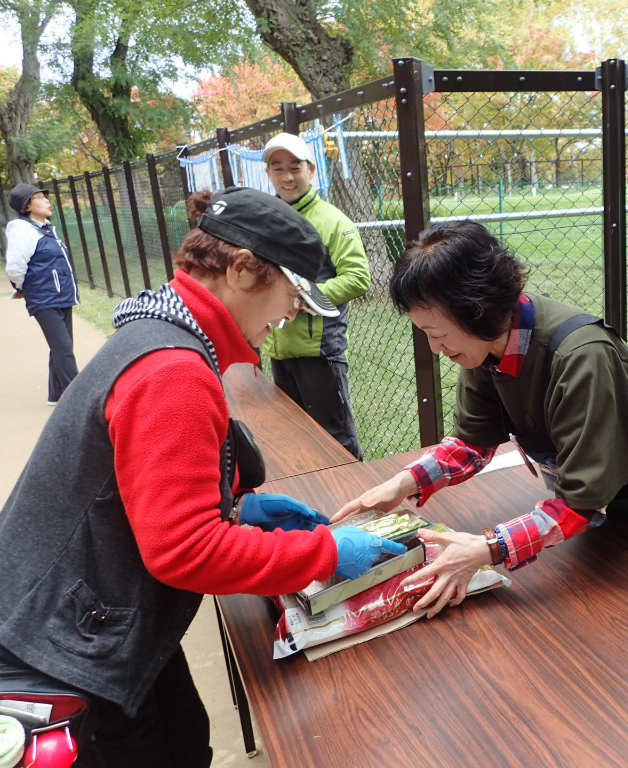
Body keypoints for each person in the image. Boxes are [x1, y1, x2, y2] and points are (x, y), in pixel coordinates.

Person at [0, 186, 404, 766]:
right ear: (242, 270)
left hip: (88, 610)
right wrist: (324, 552)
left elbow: (136, 491)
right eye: (291, 295)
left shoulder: (154, 334)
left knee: (185, 734)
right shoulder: (173, 373)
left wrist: (235, 511)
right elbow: (184, 552)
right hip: (63, 645)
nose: (290, 313)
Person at [334, 220, 628, 618]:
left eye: (437, 333)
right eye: (423, 333)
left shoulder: (580, 358)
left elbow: (580, 505)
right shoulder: (484, 344)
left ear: (477, 310)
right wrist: (404, 483)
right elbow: (474, 443)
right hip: (605, 499)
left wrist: (487, 548)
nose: (435, 348)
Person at [261, 131, 371, 459]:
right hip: (278, 348)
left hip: (319, 351)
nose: (287, 176)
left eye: (295, 167)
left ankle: (359, 500)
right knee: (295, 438)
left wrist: (307, 296)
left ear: (311, 169)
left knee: (336, 439)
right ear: (268, 173)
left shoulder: (333, 221)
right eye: (277, 168)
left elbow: (358, 278)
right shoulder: (266, 218)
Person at [4, 182, 80, 404]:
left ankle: (56, 394)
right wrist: (21, 288)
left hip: (60, 295)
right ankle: (77, 400)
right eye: (40, 198)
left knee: (61, 346)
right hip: (44, 298)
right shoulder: (22, 230)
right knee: (64, 348)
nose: (47, 201)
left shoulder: (45, 228)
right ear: (27, 205)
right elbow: (15, 267)